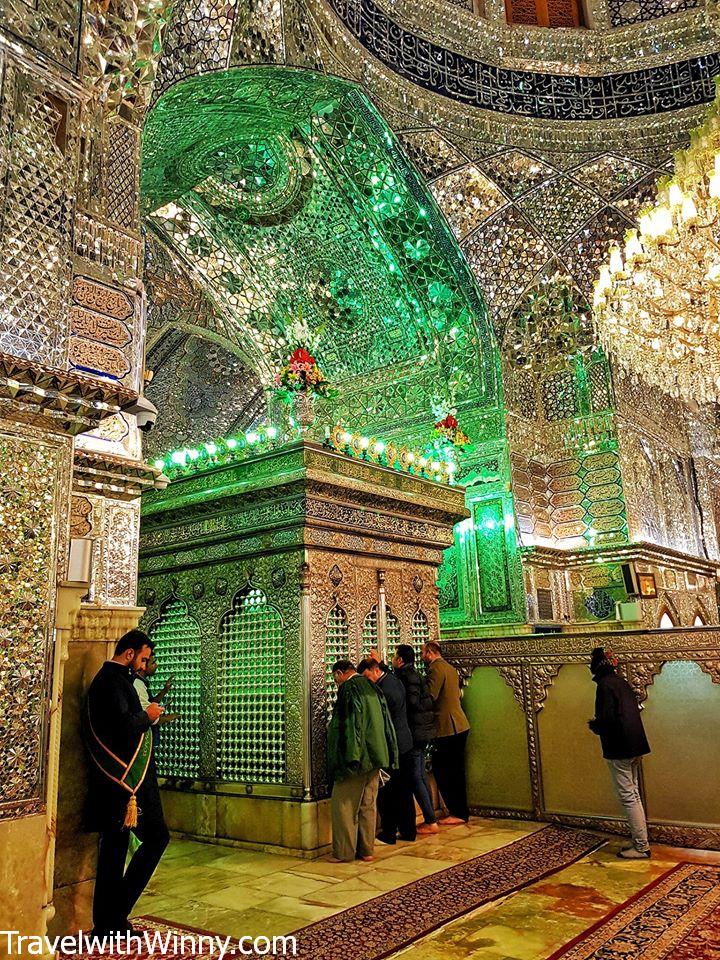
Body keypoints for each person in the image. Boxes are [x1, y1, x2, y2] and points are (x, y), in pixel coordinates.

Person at [84, 630, 169, 935]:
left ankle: (109, 922)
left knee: (115, 851)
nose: (145, 665)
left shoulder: (116, 681)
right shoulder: (112, 682)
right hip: (125, 784)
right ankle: (113, 915)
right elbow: (121, 727)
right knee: (154, 839)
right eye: (143, 658)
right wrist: (148, 715)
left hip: (122, 784)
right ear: (130, 653)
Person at [327, 660, 398, 862]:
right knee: (368, 805)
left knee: (344, 805)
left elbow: (351, 726)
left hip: (356, 759)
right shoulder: (372, 686)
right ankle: (366, 851)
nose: (336, 684)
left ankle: (344, 853)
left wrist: (349, 758)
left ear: (340, 673)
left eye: (335, 679)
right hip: (376, 756)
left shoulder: (349, 689)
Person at [588, 646, 651, 859]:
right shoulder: (620, 682)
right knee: (633, 794)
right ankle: (639, 840)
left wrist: (594, 725)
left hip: (620, 747)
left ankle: (641, 846)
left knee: (628, 796)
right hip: (634, 744)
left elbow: (608, 720)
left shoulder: (605, 686)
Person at [358, 657, 416, 844]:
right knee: (404, 790)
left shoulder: (382, 691)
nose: (367, 681)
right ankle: (408, 831)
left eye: (367, 676)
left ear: (375, 670)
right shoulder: (393, 680)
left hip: (393, 746)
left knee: (388, 791)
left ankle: (388, 833)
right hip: (405, 742)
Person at [392, 644, 438, 834]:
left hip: (413, 734)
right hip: (423, 732)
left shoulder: (405, 677)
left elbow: (411, 704)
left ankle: (431, 820)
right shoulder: (416, 675)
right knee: (419, 775)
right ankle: (431, 817)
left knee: (415, 777)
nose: (393, 660)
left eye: (394, 657)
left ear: (400, 660)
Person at [422, 640, 470, 824]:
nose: (422, 656)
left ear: (431, 652)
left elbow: (430, 696)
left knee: (445, 770)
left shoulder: (435, 669)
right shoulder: (449, 667)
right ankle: (460, 811)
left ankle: (457, 812)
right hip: (459, 724)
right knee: (455, 770)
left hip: (448, 727)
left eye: (423, 652)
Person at [133, 653, 176, 751]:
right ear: (143, 666)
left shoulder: (141, 683)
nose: (156, 665)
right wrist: (169, 718)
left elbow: (150, 703)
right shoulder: (137, 684)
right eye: (153, 663)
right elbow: (147, 715)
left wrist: (165, 690)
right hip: (143, 742)